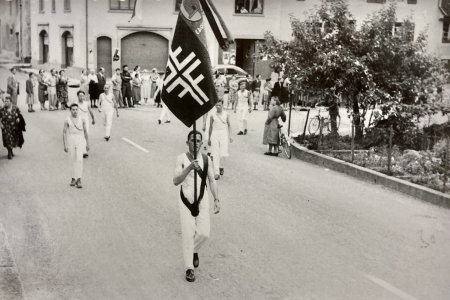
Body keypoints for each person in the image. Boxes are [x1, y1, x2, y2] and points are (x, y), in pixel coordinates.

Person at [173, 130, 220, 282]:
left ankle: (193, 250)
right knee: (188, 233)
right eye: (192, 140)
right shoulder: (181, 158)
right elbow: (175, 181)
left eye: (198, 140)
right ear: (188, 143)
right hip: (186, 199)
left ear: (202, 143)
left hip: (202, 198)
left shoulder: (206, 160)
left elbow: (212, 180)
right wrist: (188, 168)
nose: (195, 143)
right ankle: (189, 269)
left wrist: (216, 199)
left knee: (204, 233)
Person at [63, 103, 89, 189]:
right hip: (71, 139)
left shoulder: (82, 119)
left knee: (79, 159)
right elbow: (64, 132)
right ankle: (73, 178)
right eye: (73, 109)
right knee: (72, 159)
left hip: (80, 139)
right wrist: (65, 145)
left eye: (76, 109)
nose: (75, 111)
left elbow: (85, 132)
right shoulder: (67, 120)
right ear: (70, 110)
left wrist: (87, 144)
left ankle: (79, 179)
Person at [208, 100, 232, 180]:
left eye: (219, 105)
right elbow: (210, 127)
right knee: (215, 153)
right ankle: (216, 172)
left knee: (222, 152)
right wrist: (209, 138)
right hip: (215, 134)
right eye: (216, 105)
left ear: (222, 105)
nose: (218, 107)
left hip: (223, 135)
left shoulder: (226, 114)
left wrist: (230, 136)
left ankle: (221, 167)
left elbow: (229, 125)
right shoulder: (212, 115)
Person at [76, 90, 95, 158]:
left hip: (85, 121)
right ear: (77, 96)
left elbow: (90, 111)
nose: (81, 97)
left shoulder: (86, 103)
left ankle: (84, 150)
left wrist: (93, 119)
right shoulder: (75, 104)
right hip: (78, 121)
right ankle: (81, 149)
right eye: (80, 96)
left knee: (85, 134)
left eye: (82, 96)